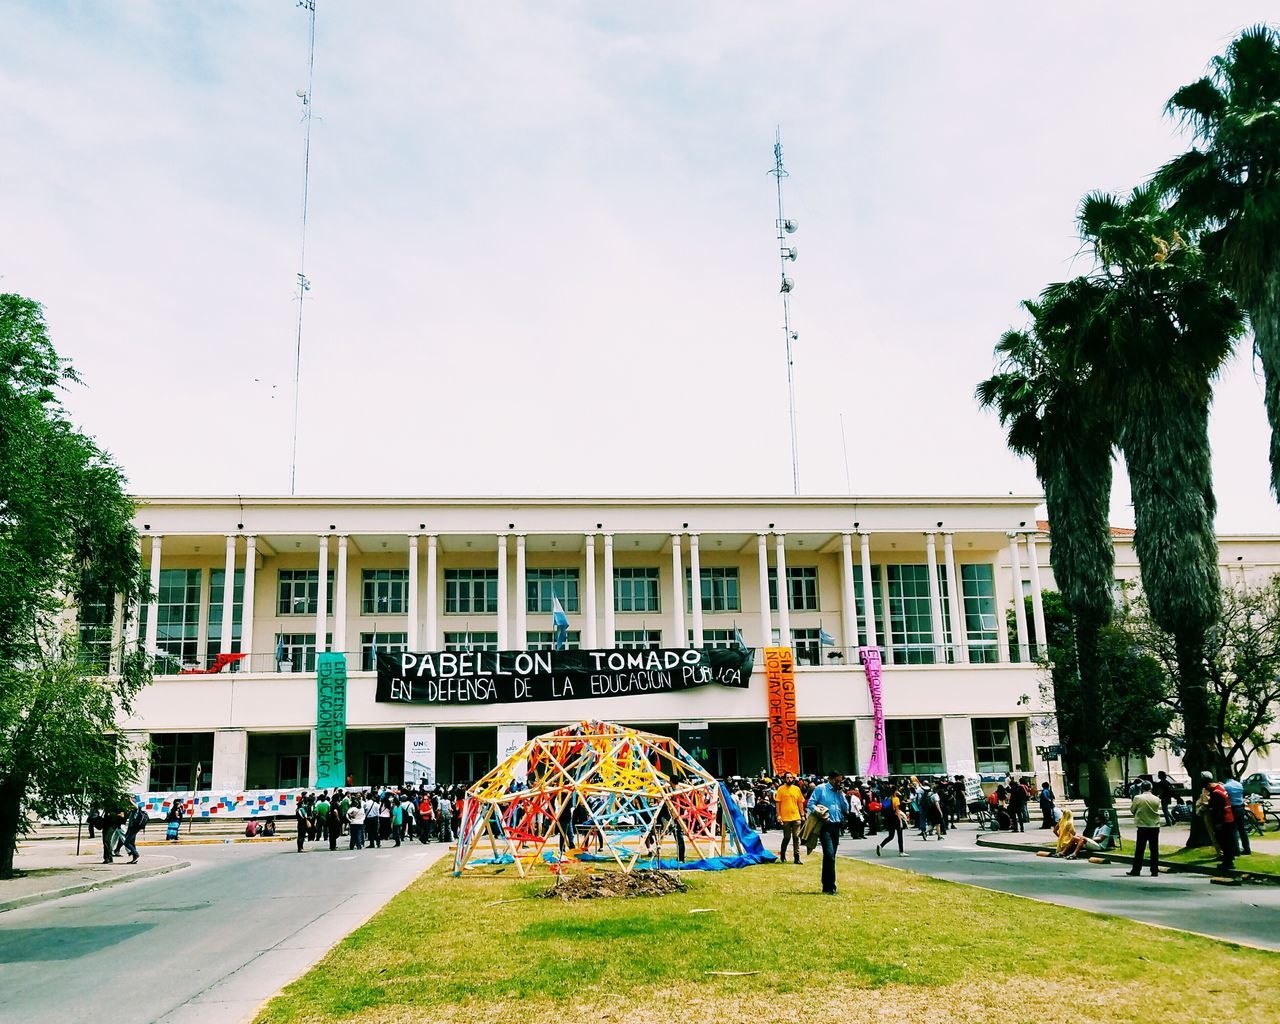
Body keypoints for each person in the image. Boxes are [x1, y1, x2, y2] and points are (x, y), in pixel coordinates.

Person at [809, 772, 846, 895]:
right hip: (825, 826)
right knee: (829, 854)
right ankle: (831, 886)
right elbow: (810, 804)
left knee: (831, 857)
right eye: (836, 781)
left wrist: (841, 794)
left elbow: (845, 808)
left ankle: (826, 884)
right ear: (830, 779)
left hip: (837, 826)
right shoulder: (821, 789)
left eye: (840, 781)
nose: (838, 783)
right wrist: (820, 812)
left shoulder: (839, 791)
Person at [1198, 771, 1237, 870]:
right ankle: (1229, 858)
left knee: (1224, 841)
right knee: (1228, 840)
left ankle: (1227, 863)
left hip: (1223, 820)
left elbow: (1218, 809)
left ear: (1207, 783)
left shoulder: (1216, 793)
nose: (1205, 789)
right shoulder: (1220, 788)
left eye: (1205, 786)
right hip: (1229, 818)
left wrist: (1218, 823)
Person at [1127, 780, 1161, 877]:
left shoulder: (1138, 798)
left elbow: (1133, 809)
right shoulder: (1156, 799)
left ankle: (1136, 869)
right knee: (1154, 849)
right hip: (1154, 825)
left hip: (1143, 825)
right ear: (1151, 788)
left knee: (1140, 849)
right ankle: (1154, 870)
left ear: (1141, 788)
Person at [774, 772, 805, 865]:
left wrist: (802, 815)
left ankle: (797, 857)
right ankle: (782, 855)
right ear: (784, 779)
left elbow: (800, 802)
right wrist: (778, 815)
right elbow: (777, 803)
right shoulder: (780, 789)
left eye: (791, 778)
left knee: (796, 837)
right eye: (787, 778)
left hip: (796, 817)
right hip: (785, 818)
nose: (789, 779)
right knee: (787, 837)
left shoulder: (797, 789)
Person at [1223, 773, 1251, 857]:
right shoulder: (1239, 784)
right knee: (1242, 829)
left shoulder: (1226, 786)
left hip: (1232, 808)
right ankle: (1247, 848)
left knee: (1233, 829)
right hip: (1240, 807)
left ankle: (1236, 850)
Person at [876, 787, 906, 857]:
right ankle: (901, 851)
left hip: (889, 818)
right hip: (895, 818)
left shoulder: (887, 799)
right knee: (900, 835)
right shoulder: (896, 799)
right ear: (895, 791)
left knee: (891, 836)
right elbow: (897, 811)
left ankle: (881, 845)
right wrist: (900, 820)